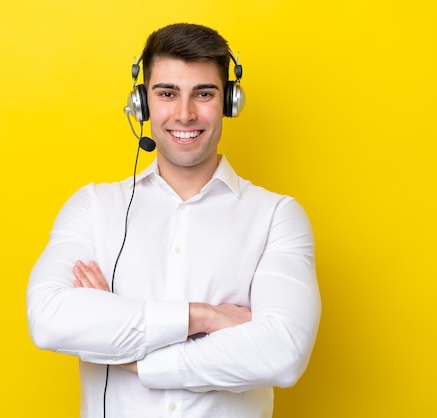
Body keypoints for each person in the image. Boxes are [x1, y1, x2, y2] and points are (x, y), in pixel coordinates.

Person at [27, 23, 321, 418]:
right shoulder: (94, 207)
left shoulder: (276, 217)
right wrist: (203, 317)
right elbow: (49, 320)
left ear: (229, 102)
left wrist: (128, 351)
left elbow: (283, 353)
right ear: (142, 103)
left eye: (203, 94)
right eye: (167, 94)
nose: (185, 114)